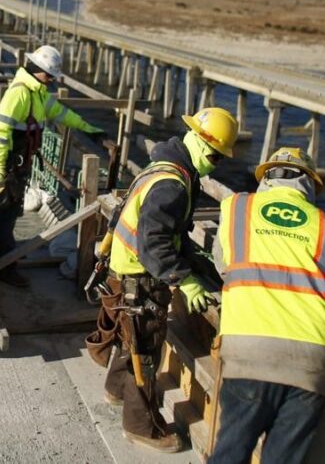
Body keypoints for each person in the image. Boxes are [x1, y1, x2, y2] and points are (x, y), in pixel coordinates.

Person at [91, 107, 239, 453]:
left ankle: (115, 391)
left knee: (129, 341)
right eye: (217, 157)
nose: (216, 164)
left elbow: (167, 231)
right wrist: (184, 280)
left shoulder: (164, 167)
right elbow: (155, 243)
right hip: (138, 281)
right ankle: (141, 427)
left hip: (122, 271)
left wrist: (193, 263)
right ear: (203, 146)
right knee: (143, 353)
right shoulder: (173, 184)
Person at [210, 147, 325, 464]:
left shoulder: (238, 209)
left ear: (266, 177)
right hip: (314, 362)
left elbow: (224, 265)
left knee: (231, 451)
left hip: (249, 351)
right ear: (310, 184)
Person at [0, 45, 104, 287]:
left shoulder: (37, 93)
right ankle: (6, 268)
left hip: (20, 164)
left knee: (13, 210)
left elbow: (59, 112)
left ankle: (8, 252)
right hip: (9, 165)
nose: (51, 81)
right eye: (49, 76)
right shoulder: (20, 93)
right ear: (37, 70)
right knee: (5, 214)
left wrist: (86, 127)